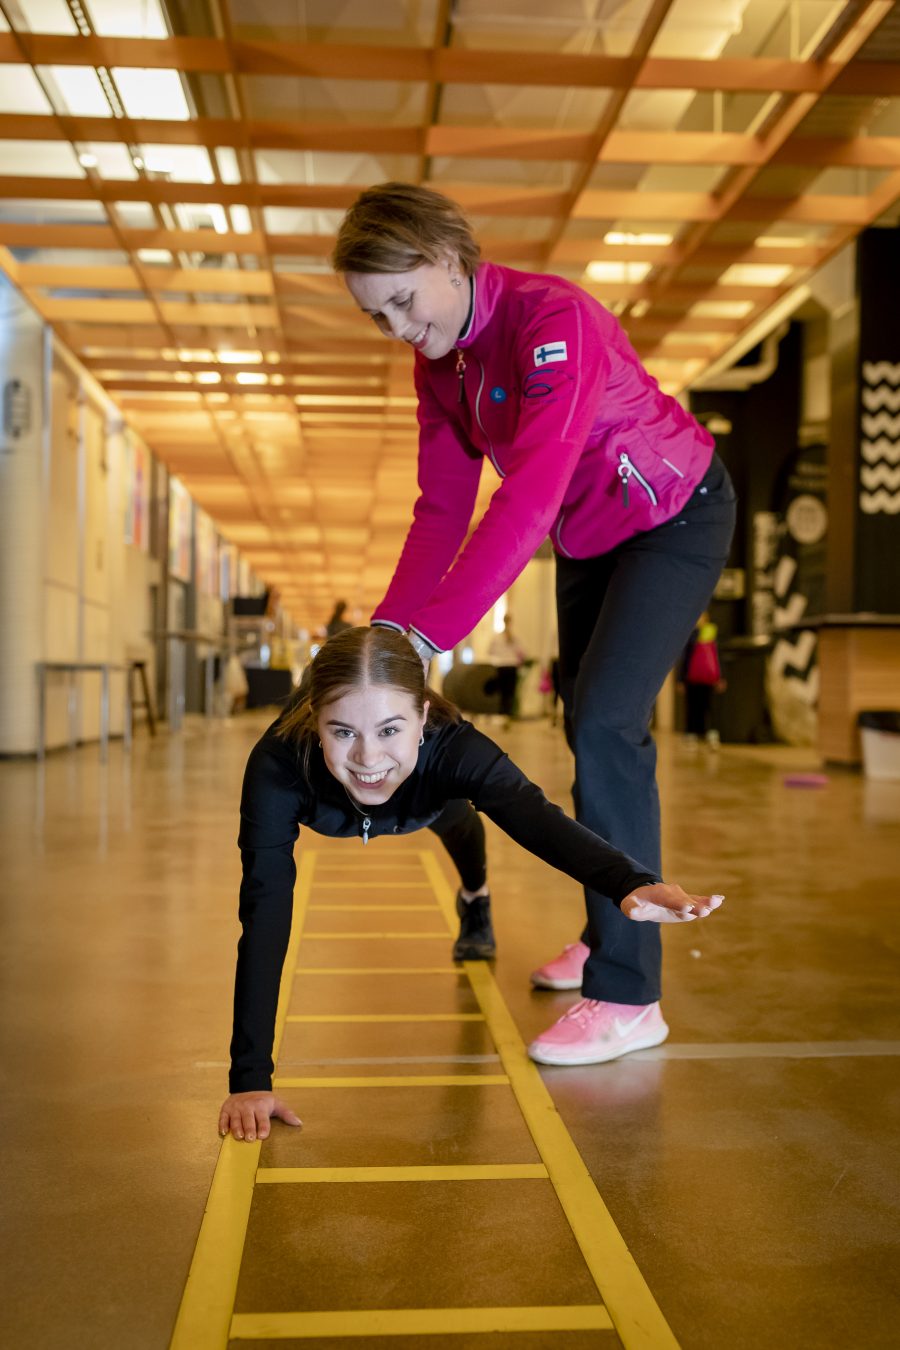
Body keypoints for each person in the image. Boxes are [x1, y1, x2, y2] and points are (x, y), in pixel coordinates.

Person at [331, 182, 737, 1066]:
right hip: (592, 539)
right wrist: (386, 639)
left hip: (673, 515)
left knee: (605, 725)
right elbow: (440, 510)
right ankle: (611, 918)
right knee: (580, 723)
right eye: (376, 315)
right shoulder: (437, 367)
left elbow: (529, 492)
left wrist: (430, 638)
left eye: (403, 299)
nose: (397, 326)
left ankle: (631, 995)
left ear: (448, 257)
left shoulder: (553, 319)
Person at [219, 627, 723, 1142]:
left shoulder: (453, 747)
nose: (368, 758)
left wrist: (630, 881)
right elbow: (265, 911)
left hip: (426, 801)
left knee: (458, 822)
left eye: (390, 729)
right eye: (343, 732)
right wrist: (250, 1079)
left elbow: (534, 816)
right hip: (335, 806)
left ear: (421, 717)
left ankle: (475, 899)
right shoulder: (278, 764)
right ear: (314, 721)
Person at [678, 610, 727, 745]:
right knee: (693, 706)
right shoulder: (691, 634)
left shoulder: (711, 633)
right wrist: (681, 679)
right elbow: (685, 658)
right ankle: (691, 733)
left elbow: (718, 657)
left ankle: (711, 732)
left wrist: (721, 676)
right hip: (692, 678)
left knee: (708, 706)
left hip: (708, 678)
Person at [487, 614, 525, 725]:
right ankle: (508, 715)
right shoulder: (516, 637)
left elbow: (490, 651)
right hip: (511, 667)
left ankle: (503, 715)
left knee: (502, 692)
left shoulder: (497, 637)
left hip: (501, 666)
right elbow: (523, 653)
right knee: (510, 692)